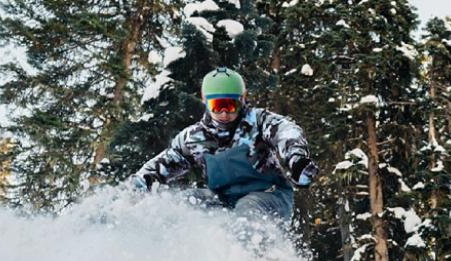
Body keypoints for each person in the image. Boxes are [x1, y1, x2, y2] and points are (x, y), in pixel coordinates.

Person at [132, 67, 318, 222]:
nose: (223, 113)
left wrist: (296, 158)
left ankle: (260, 259)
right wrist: (143, 180)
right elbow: (169, 160)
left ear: (242, 99)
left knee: (247, 210)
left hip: (269, 195)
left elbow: (286, 132)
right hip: (224, 200)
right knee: (186, 202)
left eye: (230, 105)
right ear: (205, 100)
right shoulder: (194, 137)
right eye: (217, 105)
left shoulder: (259, 122)